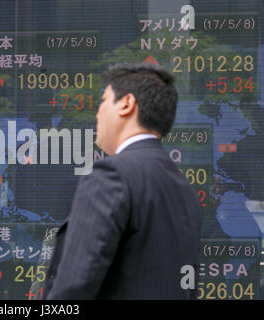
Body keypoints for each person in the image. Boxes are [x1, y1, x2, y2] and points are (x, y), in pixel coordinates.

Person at [43, 63, 202, 299]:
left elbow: (75, 284)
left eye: (104, 100)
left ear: (127, 104)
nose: (97, 113)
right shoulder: (184, 188)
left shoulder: (112, 174)